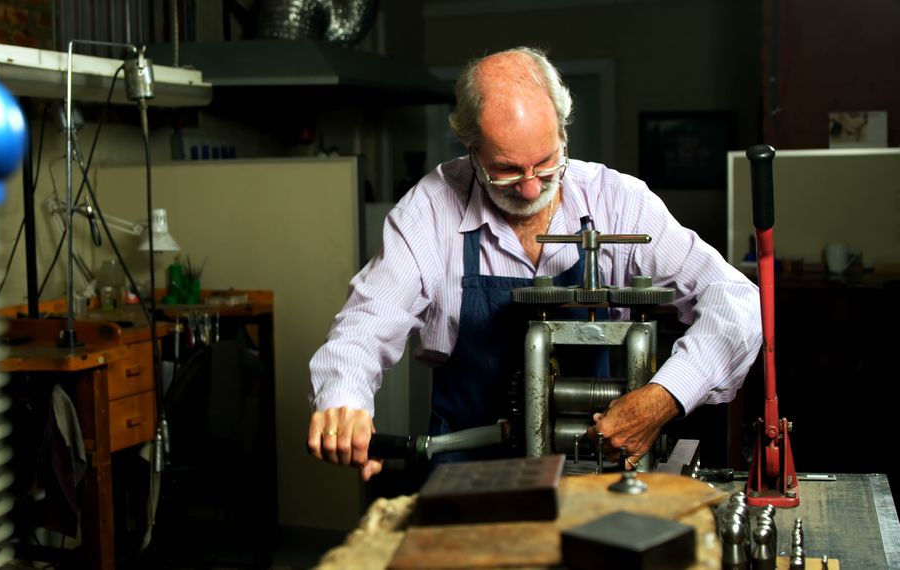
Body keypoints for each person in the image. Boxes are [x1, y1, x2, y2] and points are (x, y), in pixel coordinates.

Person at [306, 46, 762, 481]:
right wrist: (344, 401)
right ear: (470, 148)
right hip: (468, 473)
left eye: (545, 163)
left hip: (601, 472)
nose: (529, 188)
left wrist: (666, 396)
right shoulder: (427, 211)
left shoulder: (620, 202)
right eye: (505, 169)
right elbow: (365, 324)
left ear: (564, 132)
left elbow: (737, 301)